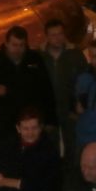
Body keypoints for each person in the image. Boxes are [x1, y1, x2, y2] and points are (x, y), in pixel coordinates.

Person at [0, 26, 57, 155]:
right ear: (6, 43)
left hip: (31, 124)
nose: (18, 49)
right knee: (6, 160)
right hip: (4, 125)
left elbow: (47, 90)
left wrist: (50, 120)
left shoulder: (34, 59)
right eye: (14, 45)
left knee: (35, 159)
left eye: (21, 45)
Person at [38, 18, 88, 161]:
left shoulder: (75, 55)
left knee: (73, 147)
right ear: (47, 37)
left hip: (71, 109)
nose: (57, 38)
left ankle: (72, 173)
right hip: (48, 111)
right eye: (53, 35)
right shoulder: (39, 56)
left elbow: (86, 81)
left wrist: (81, 103)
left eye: (60, 34)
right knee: (50, 148)